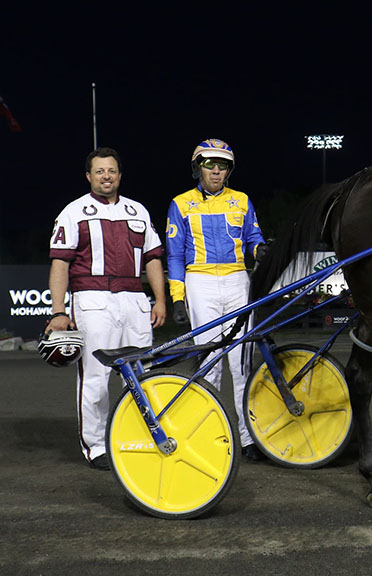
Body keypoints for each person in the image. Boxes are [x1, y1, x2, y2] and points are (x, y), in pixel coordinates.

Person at [47, 147, 167, 470]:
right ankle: (96, 446)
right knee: (96, 377)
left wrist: (160, 299)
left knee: (144, 374)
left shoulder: (137, 210)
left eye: (111, 170)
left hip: (134, 299)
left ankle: (146, 436)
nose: (106, 176)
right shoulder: (74, 212)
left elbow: (153, 258)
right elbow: (60, 263)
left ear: (120, 175)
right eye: (99, 171)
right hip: (93, 299)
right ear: (89, 176)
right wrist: (59, 311)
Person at [166, 138, 266, 461]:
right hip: (200, 282)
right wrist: (177, 299)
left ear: (229, 170)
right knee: (210, 365)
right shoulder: (180, 204)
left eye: (222, 165)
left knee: (241, 364)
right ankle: (210, 435)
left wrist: (259, 249)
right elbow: (175, 255)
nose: (216, 170)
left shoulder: (242, 200)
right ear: (198, 168)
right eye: (210, 164)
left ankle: (247, 438)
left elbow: (253, 236)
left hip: (238, 279)